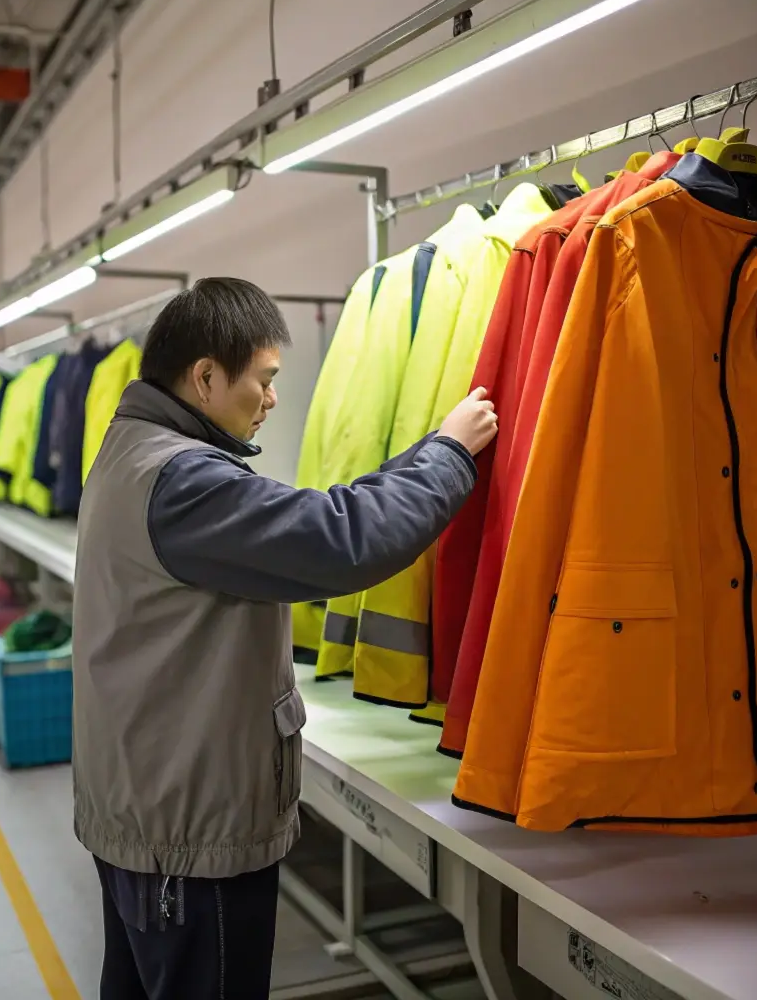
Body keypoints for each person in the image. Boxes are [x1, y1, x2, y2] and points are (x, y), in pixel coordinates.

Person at [71, 276, 497, 999]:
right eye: (264, 381)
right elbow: (341, 539)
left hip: (145, 812)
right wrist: (451, 453)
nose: (272, 400)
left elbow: (324, 518)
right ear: (205, 377)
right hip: (189, 839)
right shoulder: (184, 482)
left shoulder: (133, 451)